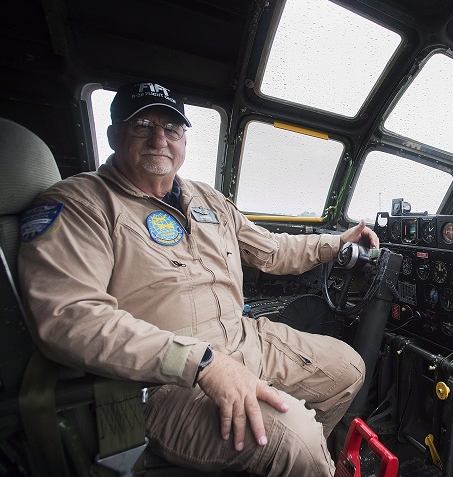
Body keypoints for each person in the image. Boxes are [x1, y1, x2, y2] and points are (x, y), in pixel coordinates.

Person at [18, 81, 379, 475]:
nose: (159, 139)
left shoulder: (207, 199)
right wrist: (202, 362)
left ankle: (293, 467)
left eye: (171, 128)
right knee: (297, 439)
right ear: (113, 135)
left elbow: (272, 251)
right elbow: (71, 318)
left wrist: (335, 244)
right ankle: (302, 462)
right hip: (159, 381)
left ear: (184, 140)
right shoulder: (81, 204)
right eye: (142, 125)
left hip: (242, 339)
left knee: (348, 369)